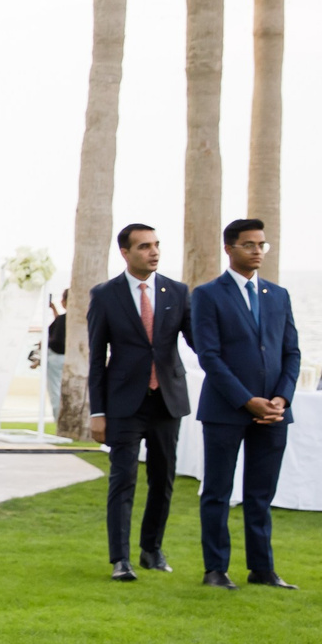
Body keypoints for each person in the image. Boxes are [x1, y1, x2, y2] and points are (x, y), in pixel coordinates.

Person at [190, 218, 298, 591]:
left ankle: (262, 569)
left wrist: (281, 397)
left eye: (262, 245)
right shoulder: (207, 295)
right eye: (249, 244)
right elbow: (210, 356)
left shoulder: (278, 295)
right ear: (229, 249)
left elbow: (291, 351)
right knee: (218, 492)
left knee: (260, 494)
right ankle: (215, 569)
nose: (257, 251)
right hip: (226, 411)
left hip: (274, 413)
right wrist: (246, 400)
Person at [85, 223, 192, 581]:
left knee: (163, 480)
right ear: (125, 253)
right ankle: (121, 559)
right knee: (123, 479)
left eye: (157, 245)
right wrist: (97, 412)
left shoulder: (177, 291)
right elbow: (96, 358)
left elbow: (198, 342)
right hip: (124, 404)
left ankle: (152, 550)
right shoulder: (105, 295)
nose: (154, 252)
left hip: (167, 402)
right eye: (145, 246)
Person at [43, 288, 69, 432]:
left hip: (57, 357)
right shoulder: (69, 319)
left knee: (55, 392)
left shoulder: (63, 320)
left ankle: (59, 420)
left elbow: (54, 337)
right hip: (63, 357)